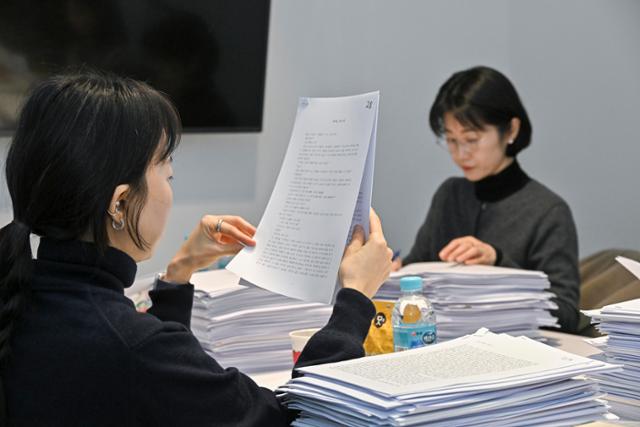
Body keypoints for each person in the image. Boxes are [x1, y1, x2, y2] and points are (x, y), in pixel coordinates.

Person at [0, 72, 393, 426]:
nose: (170, 189)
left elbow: (156, 387)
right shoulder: (132, 347)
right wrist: (355, 299)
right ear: (120, 204)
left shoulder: (25, 299)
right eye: (167, 174)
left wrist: (180, 272)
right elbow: (292, 419)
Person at [394, 66, 580, 333]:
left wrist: (497, 260)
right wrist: (394, 271)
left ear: (511, 130)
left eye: (471, 139)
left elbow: (567, 315)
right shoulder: (450, 195)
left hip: (514, 350)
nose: (460, 154)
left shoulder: (548, 211)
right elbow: (416, 270)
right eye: (451, 140)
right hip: (443, 341)